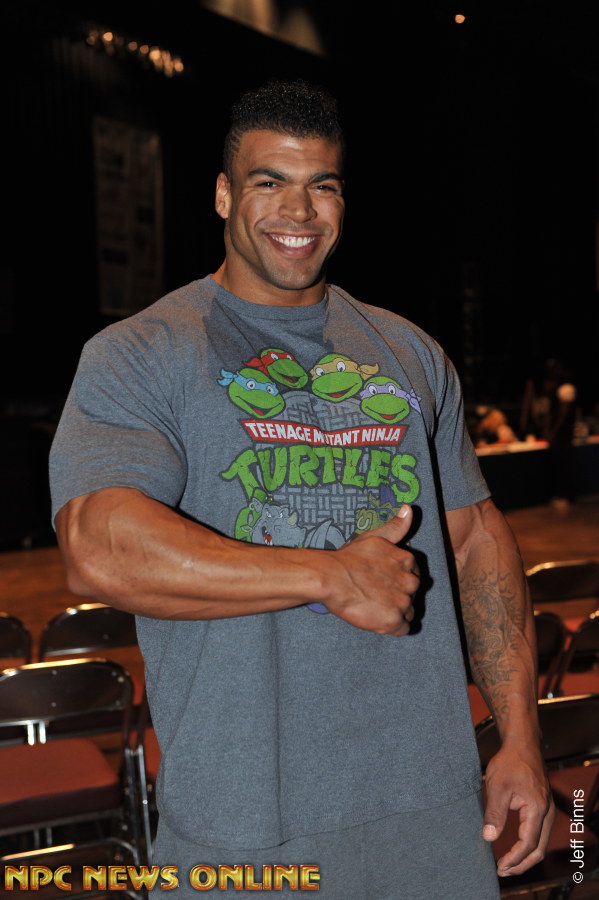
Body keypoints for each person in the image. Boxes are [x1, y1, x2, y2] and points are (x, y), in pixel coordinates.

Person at [49, 80, 553, 899]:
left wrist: (520, 738)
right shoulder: (141, 353)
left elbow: (474, 540)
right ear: (222, 195)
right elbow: (95, 547)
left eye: (322, 185)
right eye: (269, 181)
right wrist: (326, 575)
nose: (300, 210)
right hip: (245, 828)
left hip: (433, 815)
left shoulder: (410, 351)